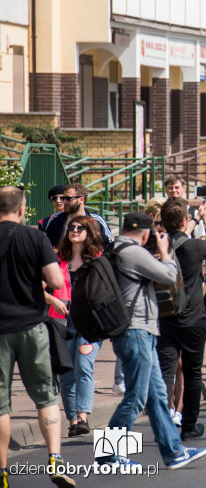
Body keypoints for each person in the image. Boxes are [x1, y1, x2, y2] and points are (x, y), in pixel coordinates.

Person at [104, 211, 206, 469]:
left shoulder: (117, 249)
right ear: (146, 232)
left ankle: (174, 452)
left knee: (157, 396)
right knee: (137, 396)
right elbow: (168, 276)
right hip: (136, 330)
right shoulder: (132, 252)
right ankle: (108, 455)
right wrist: (165, 252)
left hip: (140, 330)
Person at [0, 186, 75, 488]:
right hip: (32, 325)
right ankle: (55, 459)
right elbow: (56, 280)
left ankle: (2, 472)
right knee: (45, 396)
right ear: (21, 210)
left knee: (1, 405)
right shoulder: (35, 237)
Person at [155, 198, 206, 440]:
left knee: (164, 373)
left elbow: (177, 234)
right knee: (193, 373)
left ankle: (162, 425)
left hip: (164, 318)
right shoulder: (194, 247)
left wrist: (191, 220)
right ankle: (190, 426)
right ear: (185, 220)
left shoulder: (156, 245)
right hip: (193, 319)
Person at [55, 217, 106, 438]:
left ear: (90, 232)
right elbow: (39, 285)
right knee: (67, 374)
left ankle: (83, 416)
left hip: (89, 323)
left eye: (80, 228)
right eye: (71, 228)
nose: (74, 231)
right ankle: (73, 421)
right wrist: (52, 300)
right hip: (63, 322)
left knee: (84, 366)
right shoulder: (58, 259)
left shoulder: (98, 259)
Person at [41, 183, 113, 249]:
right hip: (61, 262)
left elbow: (108, 246)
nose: (64, 202)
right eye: (63, 198)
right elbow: (44, 247)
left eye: (68, 199)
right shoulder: (54, 220)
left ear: (81, 199)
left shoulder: (96, 220)